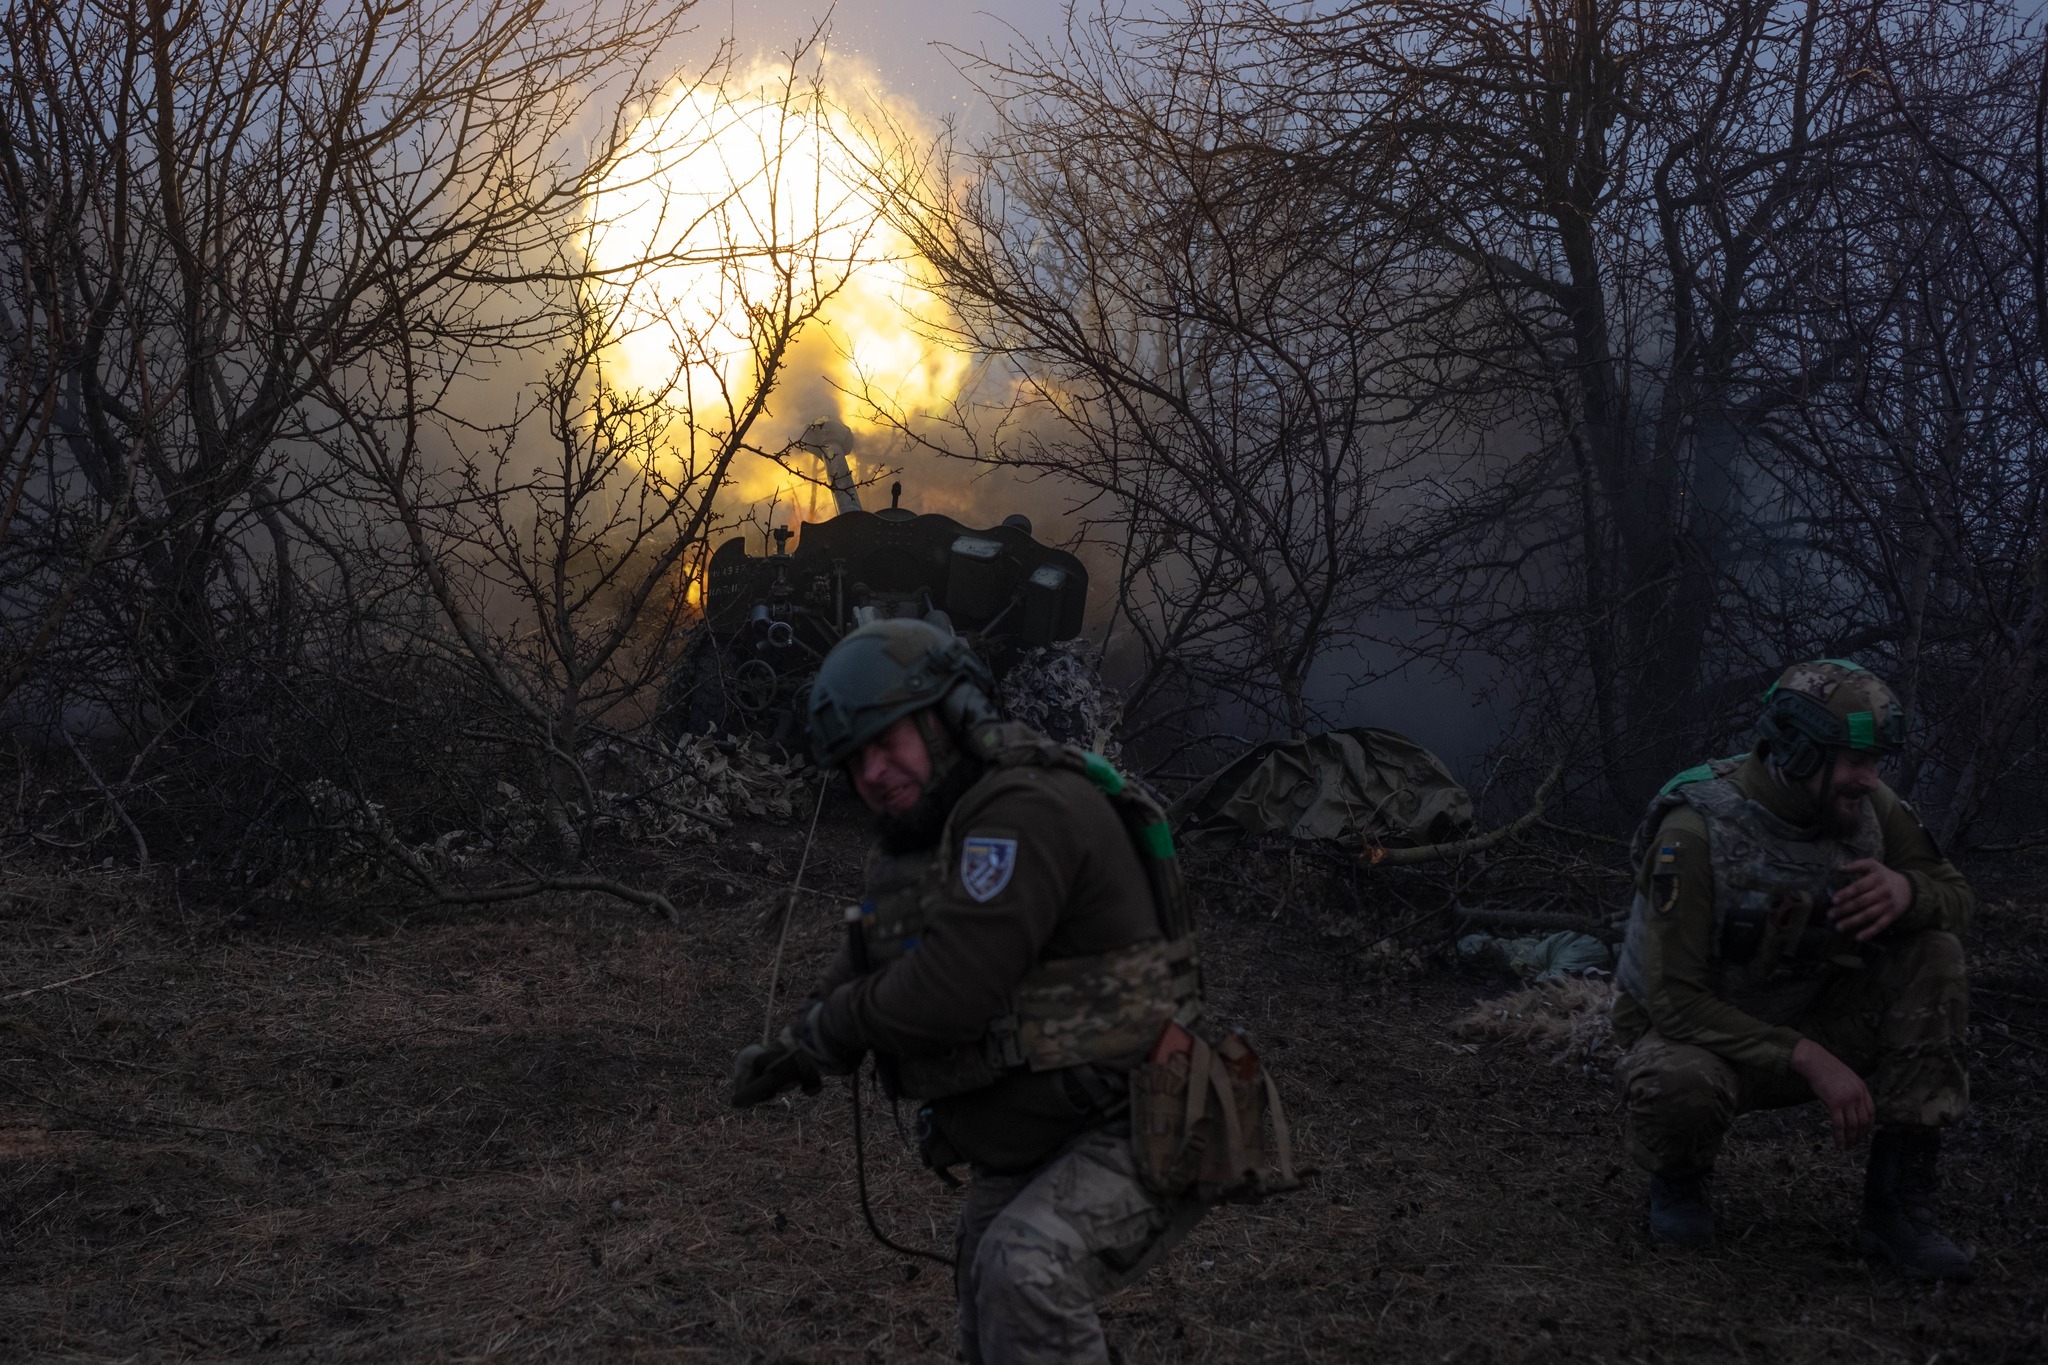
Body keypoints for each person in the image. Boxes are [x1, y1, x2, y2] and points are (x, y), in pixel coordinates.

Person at [730, 619, 1210, 1364]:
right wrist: (797, 1048)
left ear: (953, 714)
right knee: (988, 1319)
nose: (875, 773)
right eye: (855, 762)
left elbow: (949, 989)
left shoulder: (1021, 810)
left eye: (889, 742)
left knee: (1024, 1276)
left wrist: (835, 1027)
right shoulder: (939, 827)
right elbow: (878, 947)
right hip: (1038, 1142)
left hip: (1144, 1118)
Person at [1612, 659, 1975, 1279]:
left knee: (1935, 954)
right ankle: (1679, 1181)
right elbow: (1674, 1002)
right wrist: (1808, 1056)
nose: (1871, 779)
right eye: (1855, 761)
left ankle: (1898, 1207)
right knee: (1679, 1085)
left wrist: (1909, 893)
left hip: (1814, 1010)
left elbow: (1958, 898)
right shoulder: (1697, 829)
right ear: (1801, 752)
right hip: (1702, 1045)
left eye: (1876, 763)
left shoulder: (1871, 811)